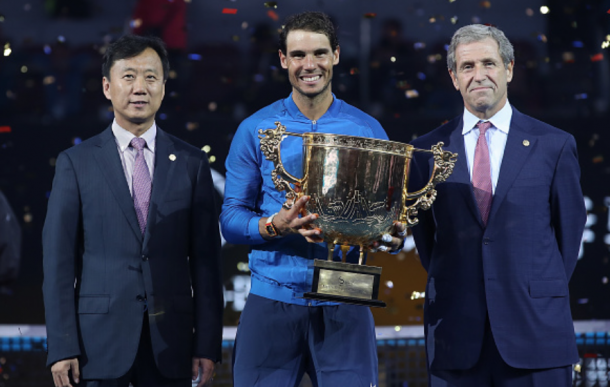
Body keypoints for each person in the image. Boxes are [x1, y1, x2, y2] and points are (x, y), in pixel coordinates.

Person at [220, 11, 406, 387]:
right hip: (273, 296)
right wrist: (276, 225)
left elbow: (387, 220)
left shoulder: (367, 129)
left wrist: (388, 234)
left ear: (336, 55)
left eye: (319, 53)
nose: (310, 65)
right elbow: (231, 219)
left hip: (346, 296)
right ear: (283, 59)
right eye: (299, 55)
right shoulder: (255, 129)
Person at [409, 24, 586, 387]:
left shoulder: (554, 145)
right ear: (454, 77)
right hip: (456, 337)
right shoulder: (426, 152)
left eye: (488, 63)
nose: (479, 75)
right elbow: (427, 241)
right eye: (467, 66)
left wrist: (528, 287)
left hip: (536, 333)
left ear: (508, 68)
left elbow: (569, 238)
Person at [42, 35, 223, 387]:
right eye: (128, 76)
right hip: (96, 347)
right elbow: (59, 263)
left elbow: (206, 264)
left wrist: (207, 344)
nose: (140, 87)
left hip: (172, 346)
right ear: (107, 87)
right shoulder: (76, 163)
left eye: (150, 77)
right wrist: (62, 345)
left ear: (164, 87)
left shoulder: (192, 163)